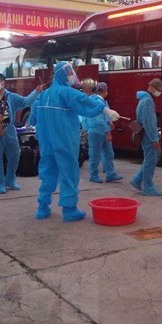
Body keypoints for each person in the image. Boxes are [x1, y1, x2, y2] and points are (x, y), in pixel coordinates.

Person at [34, 62, 120, 222]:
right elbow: (85, 102)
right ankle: (69, 209)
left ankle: (42, 207)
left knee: (48, 171)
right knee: (68, 171)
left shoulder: (44, 94)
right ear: (62, 74)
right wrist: (105, 110)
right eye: (68, 73)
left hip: (47, 142)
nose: (71, 76)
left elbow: (33, 115)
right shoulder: (66, 92)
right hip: (64, 139)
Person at [0, 73, 43, 194]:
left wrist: (36, 92)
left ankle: (10, 180)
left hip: (10, 131)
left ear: (3, 83)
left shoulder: (11, 97)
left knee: (15, 156)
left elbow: (26, 101)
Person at [129, 78, 162, 196]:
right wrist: (155, 139)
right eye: (158, 90)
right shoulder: (147, 102)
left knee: (150, 159)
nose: (159, 93)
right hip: (148, 136)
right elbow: (149, 123)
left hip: (146, 135)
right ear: (152, 88)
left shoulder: (145, 99)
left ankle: (138, 180)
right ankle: (148, 187)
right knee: (150, 160)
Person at [86, 82, 123, 183]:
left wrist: (109, 122)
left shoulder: (99, 101)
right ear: (104, 90)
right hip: (98, 131)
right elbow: (99, 120)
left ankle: (110, 174)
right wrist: (107, 131)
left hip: (97, 130)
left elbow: (105, 116)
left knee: (108, 153)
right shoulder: (97, 102)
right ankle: (94, 175)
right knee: (96, 154)